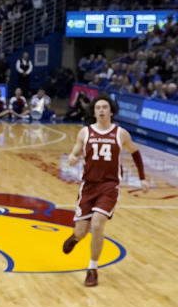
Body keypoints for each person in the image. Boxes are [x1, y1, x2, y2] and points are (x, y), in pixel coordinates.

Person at [63, 95, 148, 287]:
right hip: (88, 186)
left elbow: (135, 152)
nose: (101, 110)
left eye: (105, 107)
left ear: (111, 111)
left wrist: (142, 178)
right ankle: (75, 237)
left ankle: (92, 269)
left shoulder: (121, 134)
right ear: (94, 112)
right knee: (82, 231)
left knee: (98, 223)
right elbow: (75, 151)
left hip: (109, 186)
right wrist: (72, 157)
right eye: (98, 107)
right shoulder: (85, 133)